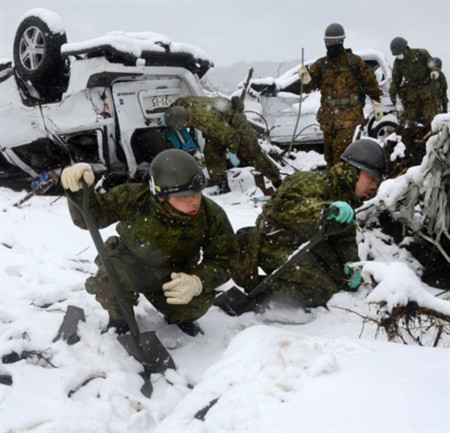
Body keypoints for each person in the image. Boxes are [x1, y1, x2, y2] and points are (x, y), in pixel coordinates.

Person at [61, 149, 239, 336]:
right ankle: (120, 320)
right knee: (109, 282)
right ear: (161, 195)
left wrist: (197, 281)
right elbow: (90, 218)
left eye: (197, 193)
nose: (194, 201)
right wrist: (80, 192)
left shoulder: (211, 214)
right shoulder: (134, 198)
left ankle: (177, 316)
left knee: (194, 305)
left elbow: (225, 259)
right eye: (184, 196)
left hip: (173, 273)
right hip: (129, 263)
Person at [232, 138, 387, 310]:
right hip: (270, 243)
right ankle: (260, 289)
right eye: (371, 178)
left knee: (338, 279)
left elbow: (344, 238)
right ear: (353, 171)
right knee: (320, 291)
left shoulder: (345, 199)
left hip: (300, 244)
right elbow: (286, 207)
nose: (374, 186)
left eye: (377, 181)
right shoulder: (312, 181)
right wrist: (325, 211)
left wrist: (351, 264)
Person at [298, 23, 383, 170]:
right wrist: (305, 78)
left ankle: (345, 184)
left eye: (333, 42)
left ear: (341, 42)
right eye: (327, 42)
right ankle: (333, 183)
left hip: (349, 116)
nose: (330, 45)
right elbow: (308, 88)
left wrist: (376, 103)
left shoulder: (354, 62)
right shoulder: (321, 64)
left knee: (342, 154)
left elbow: (370, 83)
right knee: (329, 156)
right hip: (328, 117)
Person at [164, 95, 282, 195]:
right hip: (219, 121)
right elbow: (175, 104)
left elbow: (232, 137)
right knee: (211, 152)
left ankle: (277, 181)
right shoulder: (180, 106)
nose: (184, 127)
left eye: (183, 126)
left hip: (234, 121)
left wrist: (232, 153)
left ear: (185, 121)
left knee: (251, 153)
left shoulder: (205, 119)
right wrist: (167, 117)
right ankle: (221, 185)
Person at [389, 37, 440, 125]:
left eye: (399, 53)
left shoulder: (421, 54)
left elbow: (433, 64)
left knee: (429, 117)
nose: (398, 56)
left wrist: (435, 71)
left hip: (427, 90)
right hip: (412, 93)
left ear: (405, 49)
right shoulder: (398, 63)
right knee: (410, 119)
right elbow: (396, 79)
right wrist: (392, 93)